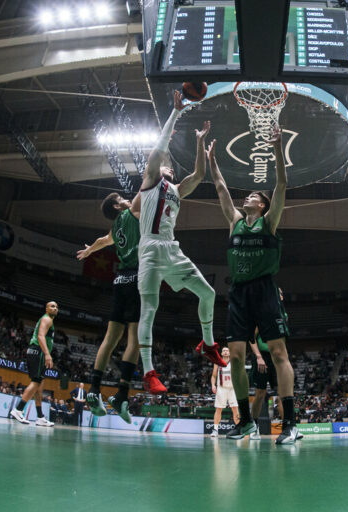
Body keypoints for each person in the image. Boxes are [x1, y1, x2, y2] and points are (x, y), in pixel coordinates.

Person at [206, 126, 298, 444]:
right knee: (234, 356)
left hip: (264, 289)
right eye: (248, 195)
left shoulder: (269, 222)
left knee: (278, 353)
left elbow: (282, 183)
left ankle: (289, 423)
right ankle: (245, 421)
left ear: (263, 205)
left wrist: (277, 149)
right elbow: (219, 187)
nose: (249, 196)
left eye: (255, 196)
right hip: (239, 293)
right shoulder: (234, 221)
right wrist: (210, 159)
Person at [136, 90, 226, 392]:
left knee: (209, 293)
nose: (170, 168)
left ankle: (208, 343)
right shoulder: (150, 182)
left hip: (171, 249)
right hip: (149, 248)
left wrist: (200, 141)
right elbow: (158, 151)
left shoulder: (176, 189)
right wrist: (175, 113)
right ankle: (149, 372)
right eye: (167, 167)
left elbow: (199, 173)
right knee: (149, 308)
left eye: (172, 168)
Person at [76, 193, 142, 420]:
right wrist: (159, 169)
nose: (127, 198)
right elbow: (146, 184)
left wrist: (89, 251)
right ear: (117, 205)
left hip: (120, 280)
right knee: (135, 338)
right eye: (122, 197)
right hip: (136, 277)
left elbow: (102, 242)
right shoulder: (132, 212)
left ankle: (94, 389)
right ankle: (122, 393)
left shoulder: (116, 227)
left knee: (110, 338)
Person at [9, 302, 58, 427]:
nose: (55, 308)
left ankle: (40, 417)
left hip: (35, 351)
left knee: (39, 385)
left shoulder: (46, 319)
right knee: (36, 382)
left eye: (56, 307)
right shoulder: (47, 319)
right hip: (38, 351)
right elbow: (41, 336)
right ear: (46, 308)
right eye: (52, 306)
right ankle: (18, 410)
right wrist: (47, 354)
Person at [210, 347, 240, 437]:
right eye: (224, 351)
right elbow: (214, 375)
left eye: (227, 350)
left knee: (235, 409)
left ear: (230, 353)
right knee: (219, 409)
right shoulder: (217, 362)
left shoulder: (234, 362)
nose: (226, 352)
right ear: (221, 353)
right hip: (221, 388)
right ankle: (215, 430)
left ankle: (238, 429)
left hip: (232, 388)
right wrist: (213, 385)